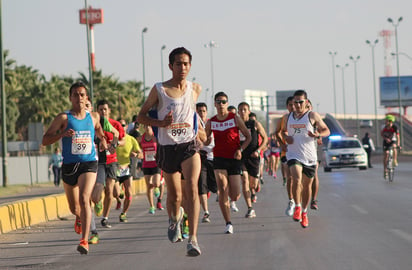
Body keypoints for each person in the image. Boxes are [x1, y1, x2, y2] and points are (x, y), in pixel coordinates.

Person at [137, 47, 204, 256]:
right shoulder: (159, 89)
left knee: (192, 188)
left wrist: (201, 132)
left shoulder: (195, 89)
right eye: (178, 64)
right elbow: (140, 117)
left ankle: (193, 239)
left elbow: (194, 116)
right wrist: (160, 123)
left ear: (190, 66)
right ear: (170, 66)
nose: (182, 67)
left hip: (189, 145)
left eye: (185, 64)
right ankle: (174, 218)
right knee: (174, 197)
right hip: (167, 147)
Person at [42, 81, 108, 254]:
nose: (79, 97)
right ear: (70, 98)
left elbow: (99, 130)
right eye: (75, 95)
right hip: (70, 165)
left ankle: (84, 240)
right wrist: (62, 134)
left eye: (82, 94)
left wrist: (103, 141)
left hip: (89, 163)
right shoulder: (63, 118)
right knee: (74, 208)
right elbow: (45, 140)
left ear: (87, 97)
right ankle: (79, 217)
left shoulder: (93, 116)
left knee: (85, 198)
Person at [281, 90, 330, 228]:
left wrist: (317, 134)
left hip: (309, 156)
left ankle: (304, 212)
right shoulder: (287, 117)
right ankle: (297, 206)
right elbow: (284, 131)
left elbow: (327, 130)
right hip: (293, 155)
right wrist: (286, 137)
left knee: (307, 185)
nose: (297, 105)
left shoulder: (312, 116)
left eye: (300, 102)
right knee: (296, 178)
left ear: (306, 102)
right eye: (295, 102)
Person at [205, 92, 251, 234]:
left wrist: (240, 150)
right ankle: (228, 222)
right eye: (218, 102)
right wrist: (203, 140)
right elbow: (205, 139)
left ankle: (233, 202)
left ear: (227, 103)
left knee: (235, 194)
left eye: (223, 102)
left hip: (234, 159)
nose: (221, 104)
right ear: (215, 104)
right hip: (218, 158)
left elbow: (248, 137)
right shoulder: (211, 122)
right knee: (223, 188)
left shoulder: (235, 118)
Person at [84, 98, 119, 245]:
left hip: (100, 162)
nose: (84, 108)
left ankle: (98, 218)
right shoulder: (73, 120)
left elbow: (116, 133)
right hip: (82, 163)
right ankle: (92, 227)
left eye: (87, 105)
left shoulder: (99, 120)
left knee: (103, 192)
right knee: (86, 198)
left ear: (92, 108)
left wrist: (113, 145)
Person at [96, 99, 125, 228]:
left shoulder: (115, 124)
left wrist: (115, 143)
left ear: (109, 111)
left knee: (109, 190)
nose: (103, 111)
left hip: (112, 161)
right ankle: (97, 201)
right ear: (97, 111)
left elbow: (123, 139)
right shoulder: (94, 124)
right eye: (101, 109)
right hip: (98, 161)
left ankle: (105, 218)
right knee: (99, 188)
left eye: (105, 109)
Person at [237, 102, 268, 210]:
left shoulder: (255, 124)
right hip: (241, 157)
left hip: (254, 156)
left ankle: (256, 184)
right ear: (238, 112)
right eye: (240, 110)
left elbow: (265, 138)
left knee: (253, 184)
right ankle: (249, 207)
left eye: (245, 109)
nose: (243, 112)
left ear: (249, 111)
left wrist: (259, 151)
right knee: (244, 180)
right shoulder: (236, 125)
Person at [116, 119, 142, 222]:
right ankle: (118, 195)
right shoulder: (114, 139)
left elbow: (141, 154)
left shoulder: (131, 139)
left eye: (123, 125)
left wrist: (135, 154)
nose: (121, 127)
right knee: (115, 193)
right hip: (115, 168)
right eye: (119, 125)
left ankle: (123, 213)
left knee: (129, 193)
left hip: (126, 168)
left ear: (126, 127)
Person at [196, 102, 216, 223]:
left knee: (214, 186)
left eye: (203, 111)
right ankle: (206, 212)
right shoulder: (194, 125)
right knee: (201, 185)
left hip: (213, 157)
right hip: (200, 157)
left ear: (206, 112)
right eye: (199, 111)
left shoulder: (212, 123)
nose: (202, 113)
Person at [275, 96, 295, 216]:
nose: (293, 107)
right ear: (287, 106)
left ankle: (300, 203)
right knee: (290, 178)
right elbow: (277, 132)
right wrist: (282, 143)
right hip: (287, 152)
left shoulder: (304, 118)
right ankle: (291, 201)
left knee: (300, 179)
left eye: (294, 104)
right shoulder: (284, 118)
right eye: (290, 105)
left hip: (301, 153)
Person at [139, 124, 163, 214]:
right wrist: (139, 153)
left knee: (156, 182)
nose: (147, 127)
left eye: (149, 126)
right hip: (146, 164)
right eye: (145, 126)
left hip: (156, 163)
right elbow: (139, 149)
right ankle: (151, 206)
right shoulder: (141, 138)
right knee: (149, 186)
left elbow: (161, 147)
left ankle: (157, 187)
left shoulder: (155, 137)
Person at [381, 114, 400, 178]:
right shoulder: (384, 127)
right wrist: (386, 139)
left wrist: (398, 144)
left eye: (387, 121)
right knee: (386, 154)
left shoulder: (395, 127)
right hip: (386, 141)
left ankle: (394, 160)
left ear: (390, 122)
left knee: (394, 147)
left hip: (392, 140)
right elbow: (382, 134)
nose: (385, 122)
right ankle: (385, 170)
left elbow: (398, 136)